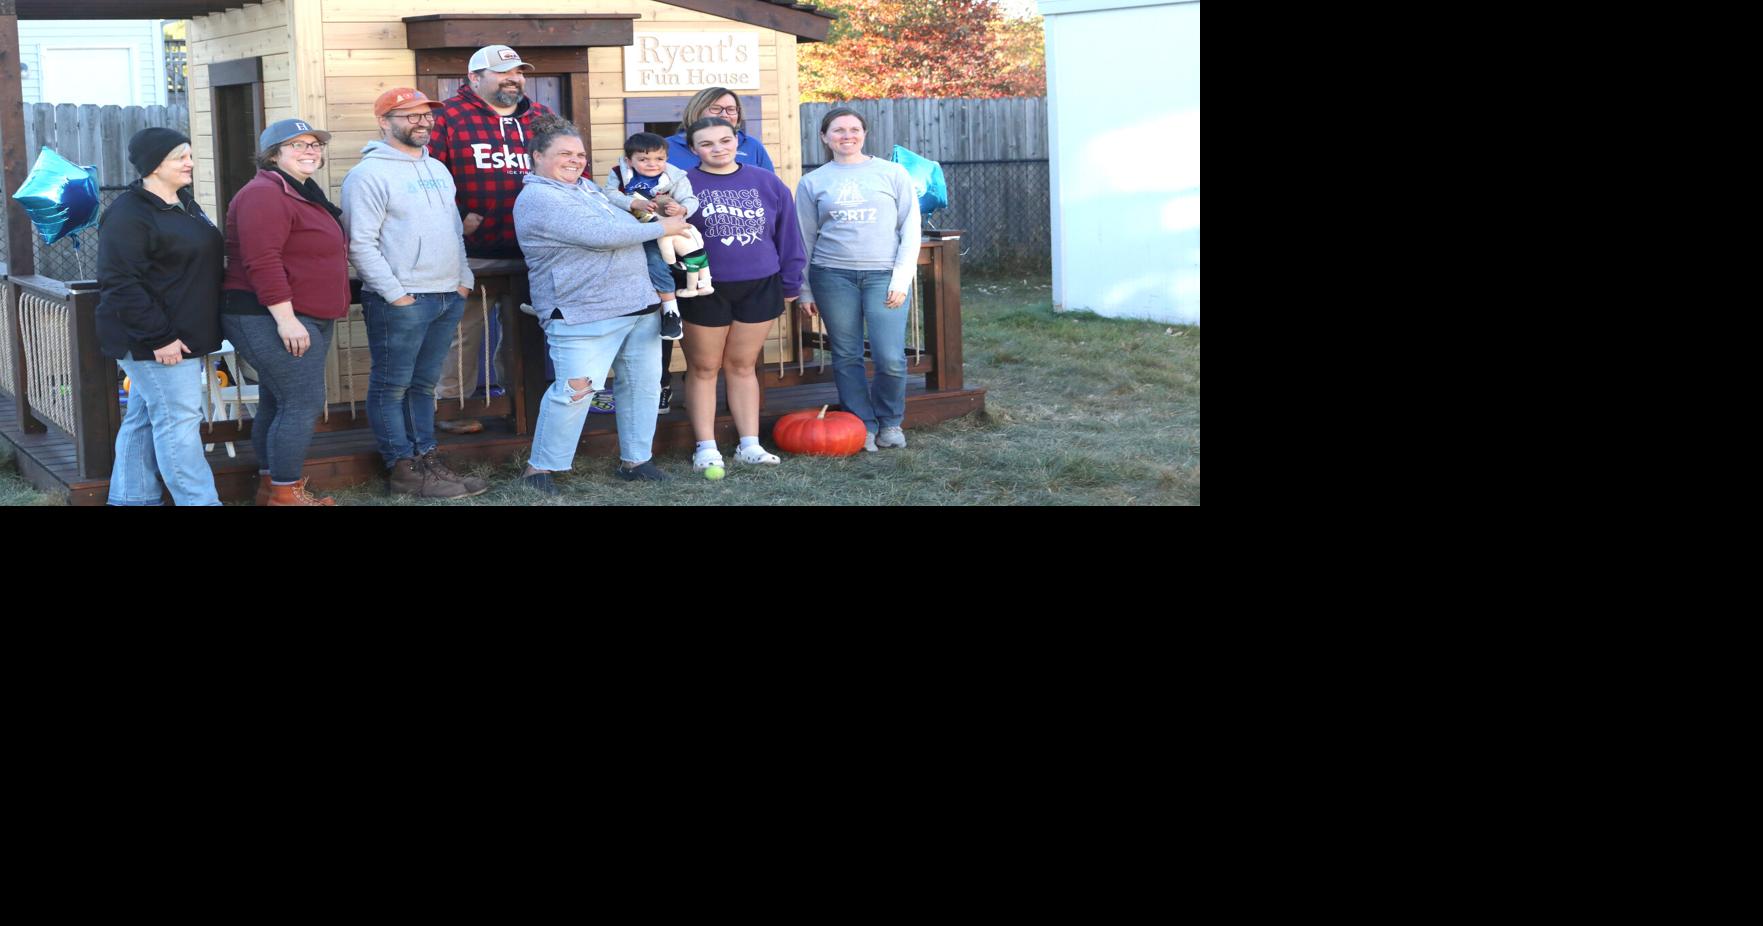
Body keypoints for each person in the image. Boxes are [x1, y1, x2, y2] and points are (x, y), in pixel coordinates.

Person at [514, 115, 689, 493]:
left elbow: (625, 214)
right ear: (536, 156)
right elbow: (603, 235)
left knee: (642, 387)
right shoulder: (539, 197)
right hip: (582, 312)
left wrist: (661, 211)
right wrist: (664, 229)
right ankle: (540, 469)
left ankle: (636, 460)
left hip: (638, 306)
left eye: (580, 154)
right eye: (564, 153)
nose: (576, 160)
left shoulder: (587, 189)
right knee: (575, 391)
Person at [342, 87, 487, 499]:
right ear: (384, 122)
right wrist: (395, 294)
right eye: (409, 115)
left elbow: (454, 231)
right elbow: (360, 243)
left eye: (426, 115)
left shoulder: (439, 169)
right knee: (391, 386)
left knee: (423, 386)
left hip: (445, 294)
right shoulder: (368, 174)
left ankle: (427, 460)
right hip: (401, 301)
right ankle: (402, 468)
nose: (422, 122)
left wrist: (462, 279)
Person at [220, 118, 352, 506]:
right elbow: (263, 261)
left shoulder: (302, 191)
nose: (310, 151)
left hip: (307, 313)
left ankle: (271, 489)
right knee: (302, 401)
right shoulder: (264, 193)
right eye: (297, 145)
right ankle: (286, 494)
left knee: (279, 401)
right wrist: (286, 319)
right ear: (274, 154)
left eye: (314, 144)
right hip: (268, 314)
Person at [426, 44, 553, 432]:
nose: (514, 79)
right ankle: (454, 407)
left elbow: (569, 165)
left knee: (523, 333)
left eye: (518, 72)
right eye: (503, 72)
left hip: (533, 249)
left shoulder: (543, 117)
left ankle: (520, 402)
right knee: (461, 333)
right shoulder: (449, 117)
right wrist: (456, 218)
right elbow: (427, 178)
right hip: (469, 251)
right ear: (474, 78)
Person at [96, 127, 225, 506]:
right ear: (153, 165)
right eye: (179, 157)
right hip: (157, 340)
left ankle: (130, 499)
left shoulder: (184, 202)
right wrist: (160, 338)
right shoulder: (128, 215)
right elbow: (120, 283)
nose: (190, 163)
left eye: (189, 154)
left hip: (183, 333)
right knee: (179, 424)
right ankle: (200, 502)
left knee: (145, 418)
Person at [679, 117, 806, 471]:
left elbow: (788, 236)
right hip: (703, 286)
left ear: (737, 141)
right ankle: (706, 447)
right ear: (693, 149)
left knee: (742, 365)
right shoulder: (683, 184)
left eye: (725, 140)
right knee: (704, 367)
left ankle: (749, 444)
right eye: (707, 144)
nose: (718, 148)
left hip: (760, 284)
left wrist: (792, 282)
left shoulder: (766, 182)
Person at [796, 108, 923, 452]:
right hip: (832, 276)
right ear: (824, 137)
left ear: (864, 134)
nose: (847, 136)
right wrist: (804, 287)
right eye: (838, 130)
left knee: (890, 357)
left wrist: (901, 279)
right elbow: (804, 239)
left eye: (854, 129)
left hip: (884, 276)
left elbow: (910, 230)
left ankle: (890, 422)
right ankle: (860, 424)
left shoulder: (891, 173)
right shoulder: (813, 182)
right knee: (847, 354)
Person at [600, 131, 700, 413]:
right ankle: (636, 387)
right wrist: (633, 203)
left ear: (666, 158)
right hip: (634, 227)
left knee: (659, 259)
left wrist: (681, 207)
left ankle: (671, 311)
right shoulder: (619, 174)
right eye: (643, 159)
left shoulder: (675, 175)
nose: (652, 164)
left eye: (658, 158)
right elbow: (607, 195)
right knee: (648, 261)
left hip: (666, 227)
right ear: (630, 160)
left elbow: (690, 200)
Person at [665, 86, 775, 172]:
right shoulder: (667, 147)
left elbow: (770, 187)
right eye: (716, 109)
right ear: (696, 111)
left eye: (731, 109)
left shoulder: (752, 145)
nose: (724, 114)